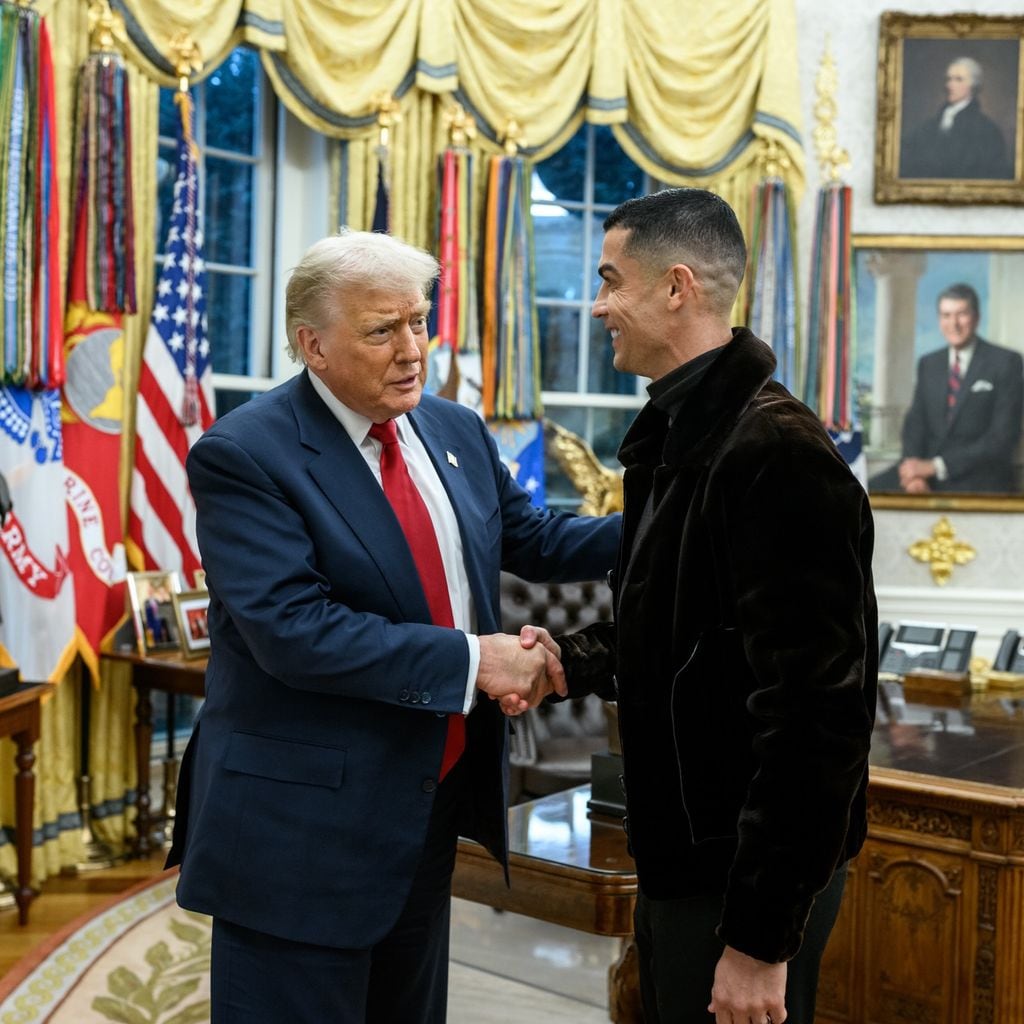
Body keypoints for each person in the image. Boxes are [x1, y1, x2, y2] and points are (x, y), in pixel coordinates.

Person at [166, 229, 620, 1024]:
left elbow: (536, 540)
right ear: (313, 344)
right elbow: (294, 630)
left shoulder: (451, 429)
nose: (413, 349)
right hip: (299, 830)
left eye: (419, 322)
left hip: (423, 800)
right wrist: (474, 662)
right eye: (382, 330)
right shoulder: (244, 454)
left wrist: (677, 511)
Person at [551, 188, 877, 1024]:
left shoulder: (778, 453)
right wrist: (564, 661)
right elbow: (676, 639)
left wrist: (761, 940)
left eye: (610, 280)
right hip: (682, 864)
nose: (596, 306)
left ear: (676, 286)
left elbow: (818, 721)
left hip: (743, 883)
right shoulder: (680, 434)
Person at [870, 283, 1023, 494]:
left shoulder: (1006, 362)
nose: (954, 324)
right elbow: (915, 424)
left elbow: (1002, 438)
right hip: (925, 473)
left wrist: (936, 466)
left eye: (961, 314)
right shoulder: (929, 363)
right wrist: (913, 472)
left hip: (979, 477)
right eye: (946, 315)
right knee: (863, 492)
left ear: (976, 318)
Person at [900, 56, 1012, 180]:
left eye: (958, 79)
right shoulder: (929, 126)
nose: (949, 85)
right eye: (948, 79)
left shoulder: (987, 130)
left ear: (973, 86)